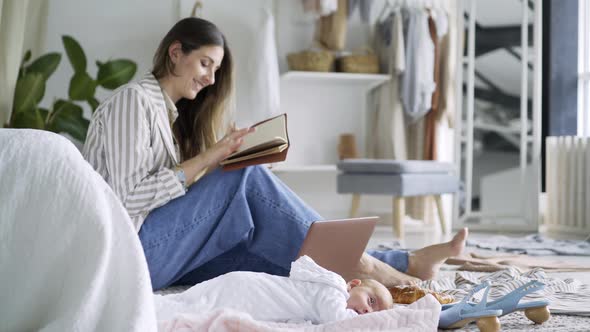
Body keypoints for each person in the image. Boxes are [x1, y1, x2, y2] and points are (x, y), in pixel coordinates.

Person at [83, 17, 468, 291]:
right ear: (175, 53)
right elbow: (124, 200)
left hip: (154, 251)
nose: (210, 79)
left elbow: (158, 192)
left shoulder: (163, 114)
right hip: (130, 258)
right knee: (242, 179)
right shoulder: (134, 102)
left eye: (216, 69)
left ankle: (397, 268)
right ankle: (367, 265)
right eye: (205, 64)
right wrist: (212, 160)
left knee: (258, 237)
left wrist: (222, 159)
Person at [154, 255, 393, 324]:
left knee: (187, 301)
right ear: (353, 285)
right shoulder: (333, 290)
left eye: (375, 313)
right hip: (244, 292)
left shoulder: (327, 289)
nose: (366, 312)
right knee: (192, 308)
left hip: (241, 283)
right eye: (371, 301)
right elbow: (337, 320)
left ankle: (153, 304)